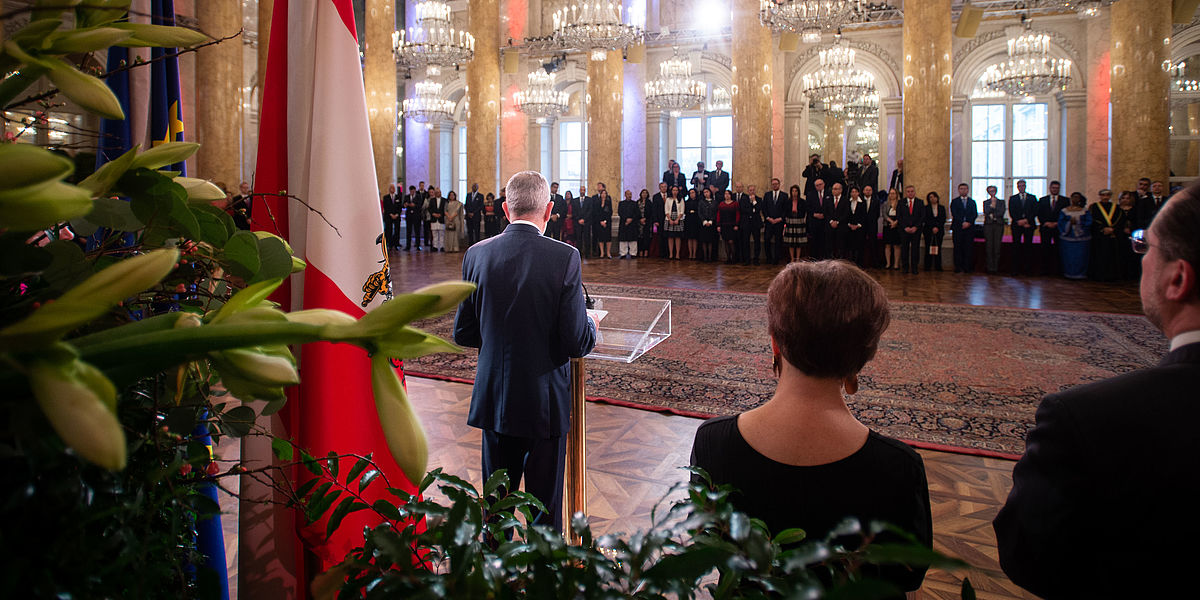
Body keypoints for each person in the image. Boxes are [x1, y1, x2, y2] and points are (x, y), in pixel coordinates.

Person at [993, 179, 1200, 600]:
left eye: (1144, 246)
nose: (1139, 256)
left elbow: (1024, 553)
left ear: (1177, 278)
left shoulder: (1084, 418)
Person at [691, 260, 932, 596]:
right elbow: (908, 575)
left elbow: (710, 548)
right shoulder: (899, 466)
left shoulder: (713, 442)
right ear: (865, 354)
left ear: (775, 343)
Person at [453, 170, 600, 531]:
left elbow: (463, 332)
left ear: (505, 209)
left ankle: (493, 582)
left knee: (496, 511)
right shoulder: (565, 257)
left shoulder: (476, 255)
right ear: (549, 210)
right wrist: (593, 326)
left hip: (495, 400)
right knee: (544, 515)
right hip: (544, 404)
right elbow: (574, 342)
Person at [1089, 189, 1123, 282]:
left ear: (1110, 196)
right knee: (1100, 256)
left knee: (1112, 257)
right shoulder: (1094, 207)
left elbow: (1120, 221)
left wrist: (1112, 229)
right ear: (1099, 196)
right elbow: (1092, 221)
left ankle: (1111, 276)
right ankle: (1099, 275)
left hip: (1112, 235)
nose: (1105, 197)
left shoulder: (1116, 207)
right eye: (1103, 195)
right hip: (1100, 236)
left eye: (1107, 195)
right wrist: (1103, 229)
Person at [1056, 192, 1091, 279]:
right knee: (1068, 256)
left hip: (1082, 239)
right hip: (1068, 238)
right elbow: (1060, 222)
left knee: (1081, 256)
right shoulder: (1065, 211)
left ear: (1080, 199)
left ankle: (1080, 274)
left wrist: (1078, 223)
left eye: (1077, 197)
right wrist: (1069, 223)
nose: (1075, 199)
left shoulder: (1084, 210)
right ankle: (1069, 273)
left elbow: (1089, 222)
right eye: (1073, 197)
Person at [1037, 181, 1069, 276]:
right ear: (1050, 188)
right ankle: (1045, 270)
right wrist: (1045, 222)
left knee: (1058, 249)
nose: (1055, 189)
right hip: (1046, 228)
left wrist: (1057, 223)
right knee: (1045, 249)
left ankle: (1058, 271)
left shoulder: (1065, 201)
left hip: (1058, 228)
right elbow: (1039, 213)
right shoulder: (1043, 200)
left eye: (1057, 188)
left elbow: (1066, 214)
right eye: (1053, 188)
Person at [1009, 179, 1037, 276]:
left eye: (1023, 185)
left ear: (1025, 186)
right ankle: (1015, 269)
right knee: (1016, 247)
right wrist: (1019, 221)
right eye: (1020, 186)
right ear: (1017, 187)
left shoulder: (1032, 198)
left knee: (1028, 247)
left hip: (1029, 225)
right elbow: (1012, 212)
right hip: (1017, 225)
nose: (1021, 187)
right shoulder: (1013, 198)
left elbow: (1035, 211)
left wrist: (1026, 220)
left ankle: (1027, 269)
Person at [950, 183, 977, 273]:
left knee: (968, 248)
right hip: (958, 228)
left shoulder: (972, 202)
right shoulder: (954, 201)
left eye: (965, 189)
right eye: (961, 188)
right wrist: (962, 222)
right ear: (958, 190)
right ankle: (958, 267)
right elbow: (955, 214)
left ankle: (967, 267)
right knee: (957, 248)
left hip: (969, 229)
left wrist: (968, 222)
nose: (963, 190)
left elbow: (974, 214)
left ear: (968, 190)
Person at [839, 185, 868, 266]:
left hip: (859, 228)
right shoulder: (847, 202)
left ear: (858, 193)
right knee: (850, 246)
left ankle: (859, 263)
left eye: (855, 192)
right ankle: (851, 263)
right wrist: (849, 224)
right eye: (852, 192)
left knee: (859, 246)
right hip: (849, 227)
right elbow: (845, 214)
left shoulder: (863, 203)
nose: (854, 193)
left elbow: (864, 216)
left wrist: (858, 225)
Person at [898, 185, 924, 274]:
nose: (910, 193)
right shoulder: (901, 202)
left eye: (912, 191)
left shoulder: (920, 202)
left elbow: (922, 217)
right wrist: (905, 227)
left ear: (914, 192)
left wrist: (915, 227)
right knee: (904, 249)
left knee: (915, 249)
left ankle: (914, 268)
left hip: (916, 230)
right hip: (904, 230)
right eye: (908, 191)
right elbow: (899, 216)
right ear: (906, 193)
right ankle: (905, 267)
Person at [981, 185, 1006, 275]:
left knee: (997, 247)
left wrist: (993, 212)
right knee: (989, 246)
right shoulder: (986, 202)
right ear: (988, 192)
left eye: (994, 191)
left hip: (998, 225)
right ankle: (990, 268)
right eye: (990, 191)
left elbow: (1001, 213)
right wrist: (992, 206)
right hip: (988, 226)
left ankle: (996, 268)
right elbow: (986, 212)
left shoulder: (1001, 202)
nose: (992, 192)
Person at [762, 178, 787, 265]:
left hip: (779, 222)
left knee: (778, 241)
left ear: (779, 185)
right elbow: (764, 208)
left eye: (776, 184)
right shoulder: (767, 195)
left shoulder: (784, 195)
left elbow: (785, 209)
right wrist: (768, 218)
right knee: (767, 240)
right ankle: (768, 258)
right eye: (773, 184)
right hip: (769, 222)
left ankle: (776, 259)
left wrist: (780, 218)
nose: (775, 185)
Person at [806, 178, 831, 260]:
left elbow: (831, 208)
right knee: (814, 241)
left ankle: (824, 258)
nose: (819, 186)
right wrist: (814, 214)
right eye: (817, 185)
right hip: (814, 221)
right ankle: (814, 258)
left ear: (823, 184)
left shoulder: (829, 193)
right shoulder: (810, 194)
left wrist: (825, 215)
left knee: (825, 241)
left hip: (825, 221)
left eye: (820, 184)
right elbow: (808, 207)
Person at [739, 184, 764, 265]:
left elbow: (758, 209)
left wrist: (754, 202)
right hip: (746, 223)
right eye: (750, 190)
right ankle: (747, 259)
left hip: (756, 223)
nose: (752, 192)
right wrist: (752, 210)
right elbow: (743, 210)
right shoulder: (743, 199)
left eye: (753, 190)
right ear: (748, 191)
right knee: (746, 242)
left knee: (757, 241)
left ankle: (756, 259)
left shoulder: (759, 199)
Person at [922, 191, 947, 271]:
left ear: (937, 197)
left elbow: (943, 219)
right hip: (928, 230)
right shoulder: (926, 208)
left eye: (934, 197)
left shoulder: (941, 208)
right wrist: (932, 227)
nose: (933, 199)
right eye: (930, 197)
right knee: (928, 248)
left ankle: (938, 266)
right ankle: (927, 266)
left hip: (939, 230)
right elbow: (925, 219)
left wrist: (937, 227)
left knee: (938, 248)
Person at [784, 184, 807, 263]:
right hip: (790, 221)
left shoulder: (802, 201)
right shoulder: (787, 201)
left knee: (798, 242)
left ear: (798, 192)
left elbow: (804, 212)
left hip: (799, 221)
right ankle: (792, 258)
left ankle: (797, 258)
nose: (794, 193)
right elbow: (785, 212)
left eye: (796, 191)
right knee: (791, 241)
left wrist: (798, 212)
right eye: (793, 191)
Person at [862, 184, 883, 269]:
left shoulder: (876, 201)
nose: (868, 191)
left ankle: (875, 262)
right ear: (863, 191)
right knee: (862, 244)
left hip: (872, 225)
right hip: (862, 225)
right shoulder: (860, 200)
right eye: (866, 190)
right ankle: (862, 263)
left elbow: (877, 214)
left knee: (873, 244)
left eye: (869, 190)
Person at [716, 189, 740, 264]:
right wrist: (718, 225)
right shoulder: (721, 204)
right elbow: (718, 215)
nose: (727, 195)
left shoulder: (735, 204)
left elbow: (737, 214)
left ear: (731, 195)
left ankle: (734, 258)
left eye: (728, 194)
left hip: (732, 226)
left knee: (731, 242)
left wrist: (736, 224)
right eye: (725, 194)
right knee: (725, 242)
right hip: (724, 225)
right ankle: (728, 258)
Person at [663, 186, 686, 259]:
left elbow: (682, 211)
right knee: (670, 237)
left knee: (677, 237)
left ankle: (677, 254)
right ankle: (671, 254)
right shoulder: (668, 199)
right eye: (673, 190)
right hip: (669, 218)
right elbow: (666, 210)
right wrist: (669, 219)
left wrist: (677, 219)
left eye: (676, 190)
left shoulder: (681, 199)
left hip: (678, 218)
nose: (675, 192)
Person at [617, 189, 640, 259]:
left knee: (632, 239)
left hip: (632, 224)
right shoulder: (621, 203)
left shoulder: (635, 203)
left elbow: (637, 213)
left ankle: (633, 253)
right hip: (624, 223)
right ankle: (623, 253)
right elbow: (620, 212)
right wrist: (626, 220)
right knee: (623, 239)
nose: (629, 195)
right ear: (625, 195)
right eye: (628, 194)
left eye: (630, 194)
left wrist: (631, 219)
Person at [882, 188, 901, 269]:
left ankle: (896, 264)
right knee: (887, 245)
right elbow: (884, 214)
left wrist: (895, 222)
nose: (892, 195)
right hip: (887, 226)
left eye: (893, 193)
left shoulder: (900, 204)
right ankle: (888, 263)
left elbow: (901, 214)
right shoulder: (885, 204)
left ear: (896, 194)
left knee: (896, 246)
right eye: (890, 193)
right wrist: (891, 222)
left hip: (897, 227)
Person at [698, 187, 718, 262]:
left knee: (710, 241)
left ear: (710, 192)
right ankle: (705, 256)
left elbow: (716, 212)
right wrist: (704, 221)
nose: (706, 193)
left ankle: (710, 257)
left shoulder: (715, 202)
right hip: (703, 224)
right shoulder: (701, 202)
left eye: (707, 192)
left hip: (712, 224)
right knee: (704, 241)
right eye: (704, 192)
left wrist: (711, 221)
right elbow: (700, 212)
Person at [593, 186, 614, 259]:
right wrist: (601, 221)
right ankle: (602, 253)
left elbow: (610, 212)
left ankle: (608, 253)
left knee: (608, 238)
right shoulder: (597, 202)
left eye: (605, 193)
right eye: (602, 193)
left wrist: (605, 221)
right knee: (601, 238)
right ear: (600, 194)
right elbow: (596, 213)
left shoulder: (608, 202)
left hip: (607, 222)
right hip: (599, 222)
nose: (603, 195)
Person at [404, 184, 424, 250]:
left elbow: (420, 205)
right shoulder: (406, 197)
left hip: (416, 216)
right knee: (408, 231)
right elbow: (403, 204)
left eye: (413, 191)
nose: (412, 192)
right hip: (409, 216)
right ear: (409, 191)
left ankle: (418, 245)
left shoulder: (418, 197)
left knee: (417, 231)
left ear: (415, 190)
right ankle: (408, 246)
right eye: (411, 191)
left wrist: (414, 205)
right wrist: (406, 205)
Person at [380, 183, 400, 249]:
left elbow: (399, 206)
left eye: (394, 188)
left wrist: (397, 214)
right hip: (389, 216)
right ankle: (390, 244)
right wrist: (391, 214)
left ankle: (396, 244)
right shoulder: (386, 197)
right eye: (391, 188)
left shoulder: (398, 197)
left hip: (397, 216)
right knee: (389, 230)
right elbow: (386, 207)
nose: (393, 189)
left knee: (397, 230)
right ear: (389, 189)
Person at [652, 182, 669, 259]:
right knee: (661, 237)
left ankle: (669, 252)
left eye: (665, 186)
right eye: (662, 187)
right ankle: (662, 253)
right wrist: (655, 220)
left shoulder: (670, 196)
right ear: (659, 188)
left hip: (669, 220)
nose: (664, 188)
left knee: (668, 236)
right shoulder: (656, 197)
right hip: (660, 220)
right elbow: (654, 210)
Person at [426, 186, 446, 252]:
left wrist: (441, 214)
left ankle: (442, 246)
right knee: (434, 234)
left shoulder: (444, 200)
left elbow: (445, 209)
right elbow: (429, 208)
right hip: (434, 219)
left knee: (441, 234)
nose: (438, 193)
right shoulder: (432, 200)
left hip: (441, 219)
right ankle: (435, 246)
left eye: (439, 192)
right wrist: (433, 214)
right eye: (437, 192)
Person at [684, 188, 701, 260]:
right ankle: (690, 253)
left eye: (693, 193)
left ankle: (694, 254)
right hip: (688, 221)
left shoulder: (699, 202)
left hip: (696, 221)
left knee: (695, 238)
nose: (692, 194)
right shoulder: (686, 202)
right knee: (689, 238)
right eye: (690, 193)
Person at [636, 189, 653, 257]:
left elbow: (651, 213)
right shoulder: (637, 202)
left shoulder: (649, 202)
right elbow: (636, 212)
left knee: (646, 237)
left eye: (646, 193)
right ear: (641, 194)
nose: (644, 194)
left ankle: (646, 251)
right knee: (640, 237)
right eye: (643, 193)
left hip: (647, 222)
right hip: (639, 222)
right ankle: (640, 251)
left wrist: (645, 219)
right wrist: (640, 219)